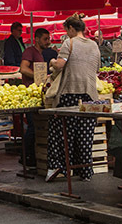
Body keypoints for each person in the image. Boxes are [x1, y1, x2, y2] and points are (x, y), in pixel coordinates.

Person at [45, 14, 101, 182]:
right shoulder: (94, 45)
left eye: (66, 30)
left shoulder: (69, 43)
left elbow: (60, 65)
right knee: (85, 134)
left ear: (71, 28)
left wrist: (53, 61)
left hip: (70, 92)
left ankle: (57, 167)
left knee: (63, 132)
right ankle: (84, 171)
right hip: (90, 94)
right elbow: (96, 68)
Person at [19, 27, 54, 169]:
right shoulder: (29, 51)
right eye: (45, 39)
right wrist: (37, 77)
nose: (48, 42)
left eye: (49, 39)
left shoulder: (43, 54)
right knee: (33, 126)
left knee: (38, 125)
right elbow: (23, 68)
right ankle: (26, 156)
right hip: (30, 94)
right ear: (37, 39)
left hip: (41, 93)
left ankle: (33, 156)